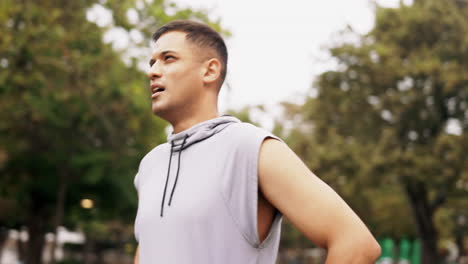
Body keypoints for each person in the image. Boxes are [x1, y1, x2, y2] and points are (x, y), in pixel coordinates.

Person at [133, 19, 381, 264]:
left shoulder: (250, 146)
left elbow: (356, 243)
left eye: (168, 58)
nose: (153, 71)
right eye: (152, 61)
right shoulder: (149, 165)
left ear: (209, 71)